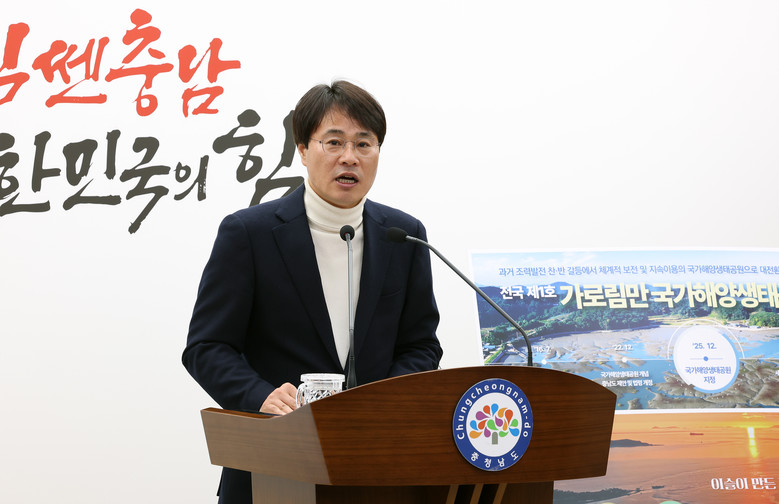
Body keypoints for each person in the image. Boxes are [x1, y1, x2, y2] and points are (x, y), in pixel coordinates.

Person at [182, 80, 443, 504]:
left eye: (364, 144)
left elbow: (421, 346)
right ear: (303, 150)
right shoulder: (249, 233)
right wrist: (260, 396)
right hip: (274, 467)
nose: (349, 157)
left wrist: (386, 403)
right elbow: (206, 347)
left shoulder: (404, 236)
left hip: (378, 469)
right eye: (334, 142)